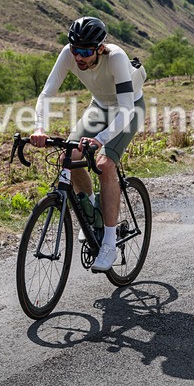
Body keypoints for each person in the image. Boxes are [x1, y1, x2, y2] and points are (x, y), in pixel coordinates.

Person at [31, 16, 147, 273]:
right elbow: (47, 93)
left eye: (85, 52)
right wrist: (39, 128)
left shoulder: (116, 57)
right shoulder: (69, 54)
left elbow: (126, 109)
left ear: (100, 48)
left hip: (128, 109)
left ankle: (109, 242)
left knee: (105, 165)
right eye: (75, 50)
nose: (78, 57)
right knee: (69, 157)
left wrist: (100, 139)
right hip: (100, 107)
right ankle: (93, 215)